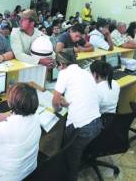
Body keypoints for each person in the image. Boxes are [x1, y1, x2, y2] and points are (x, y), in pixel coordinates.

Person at [52, 50, 102, 181]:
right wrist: (67, 104)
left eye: (57, 65)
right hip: (97, 123)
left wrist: (56, 109)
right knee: (76, 153)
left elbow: (55, 100)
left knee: (70, 158)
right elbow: (81, 96)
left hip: (81, 128)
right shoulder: (85, 73)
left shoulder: (64, 73)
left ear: (61, 64)